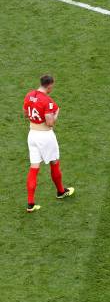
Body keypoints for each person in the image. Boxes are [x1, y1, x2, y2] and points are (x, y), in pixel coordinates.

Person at [23, 74, 74, 212]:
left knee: (34, 167)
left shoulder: (29, 95)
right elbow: (50, 123)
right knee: (54, 162)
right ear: (50, 85)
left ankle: (30, 204)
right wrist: (56, 113)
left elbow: (26, 114)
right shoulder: (47, 101)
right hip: (45, 136)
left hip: (32, 135)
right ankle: (60, 191)